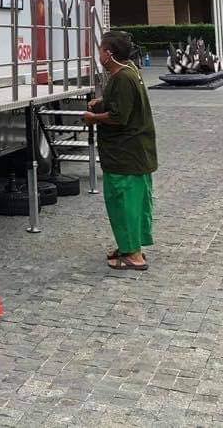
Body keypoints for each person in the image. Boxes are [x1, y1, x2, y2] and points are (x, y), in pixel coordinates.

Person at [83, 30, 158, 271]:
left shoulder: (122, 77)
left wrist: (93, 117)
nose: (99, 55)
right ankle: (129, 246)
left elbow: (119, 116)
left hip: (125, 155)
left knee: (124, 202)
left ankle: (133, 255)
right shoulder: (129, 71)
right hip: (134, 154)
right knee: (134, 203)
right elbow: (121, 104)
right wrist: (102, 102)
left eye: (101, 51)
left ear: (109, 53)